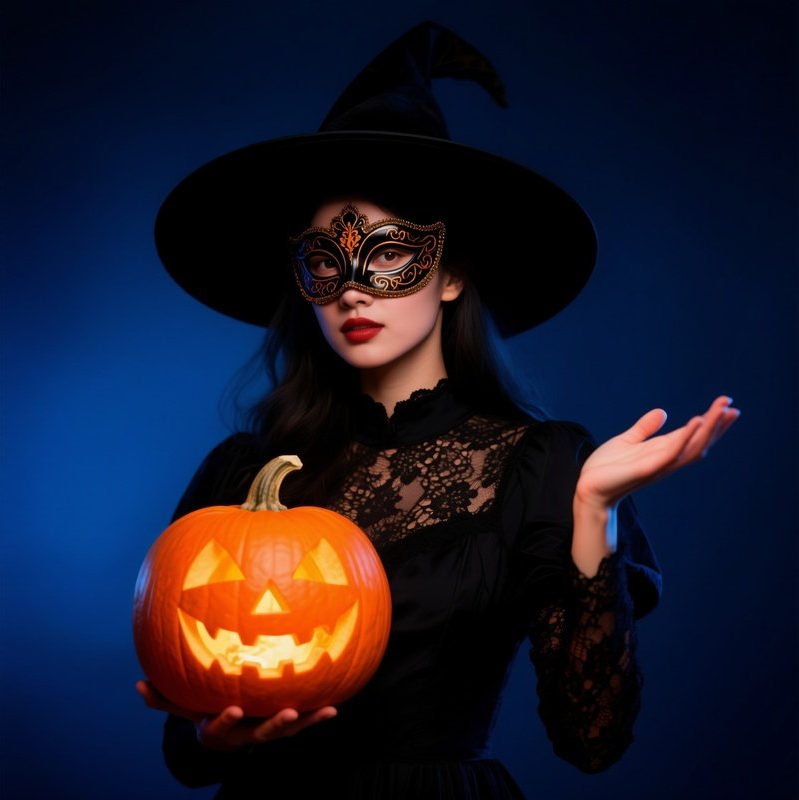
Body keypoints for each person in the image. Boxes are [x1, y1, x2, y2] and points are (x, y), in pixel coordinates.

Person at [136, 21, 739, 799]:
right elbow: (182, 748)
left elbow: (593, 741)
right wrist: (208, 733)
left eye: (386, 253)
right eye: (325, 260)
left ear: (449, 273)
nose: (352, 287)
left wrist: (593, 509)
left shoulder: (540, 464)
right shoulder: (243, 472)